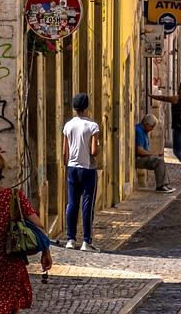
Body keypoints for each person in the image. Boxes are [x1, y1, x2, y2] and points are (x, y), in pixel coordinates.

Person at [0, 150, 52, 314]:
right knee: (13, 309)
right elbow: (39, 227)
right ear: (0, 170)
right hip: (12, 265)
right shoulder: (14, 196)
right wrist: (46, 253)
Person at [62, 92, 100, 251]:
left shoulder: (68, 125)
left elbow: (65, 151)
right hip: (88, 169)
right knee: (87, 205)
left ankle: (70, 239)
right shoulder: (92, 126)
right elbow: (94, 151)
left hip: (72, 168)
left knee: (72, 203)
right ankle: (86, 241)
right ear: (87, 107)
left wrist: (68, 164)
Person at [152, 82, 181, 179]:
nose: (177, 90)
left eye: (179, 88)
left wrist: (151, 96)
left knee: (177, 151)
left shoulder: (178, 99)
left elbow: (163, 98)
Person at [134, 115, 172, 191]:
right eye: (151, 126)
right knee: (159, 161)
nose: (152, 129)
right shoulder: (140, 132)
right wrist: (153, 154)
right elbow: (140, 151)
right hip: (139, 159)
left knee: (159, 160)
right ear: (146, 124)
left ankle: (165, 183)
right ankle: (161, 185)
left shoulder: (143, 131)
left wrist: (154, 153)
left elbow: (145, 149)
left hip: (143, 156)